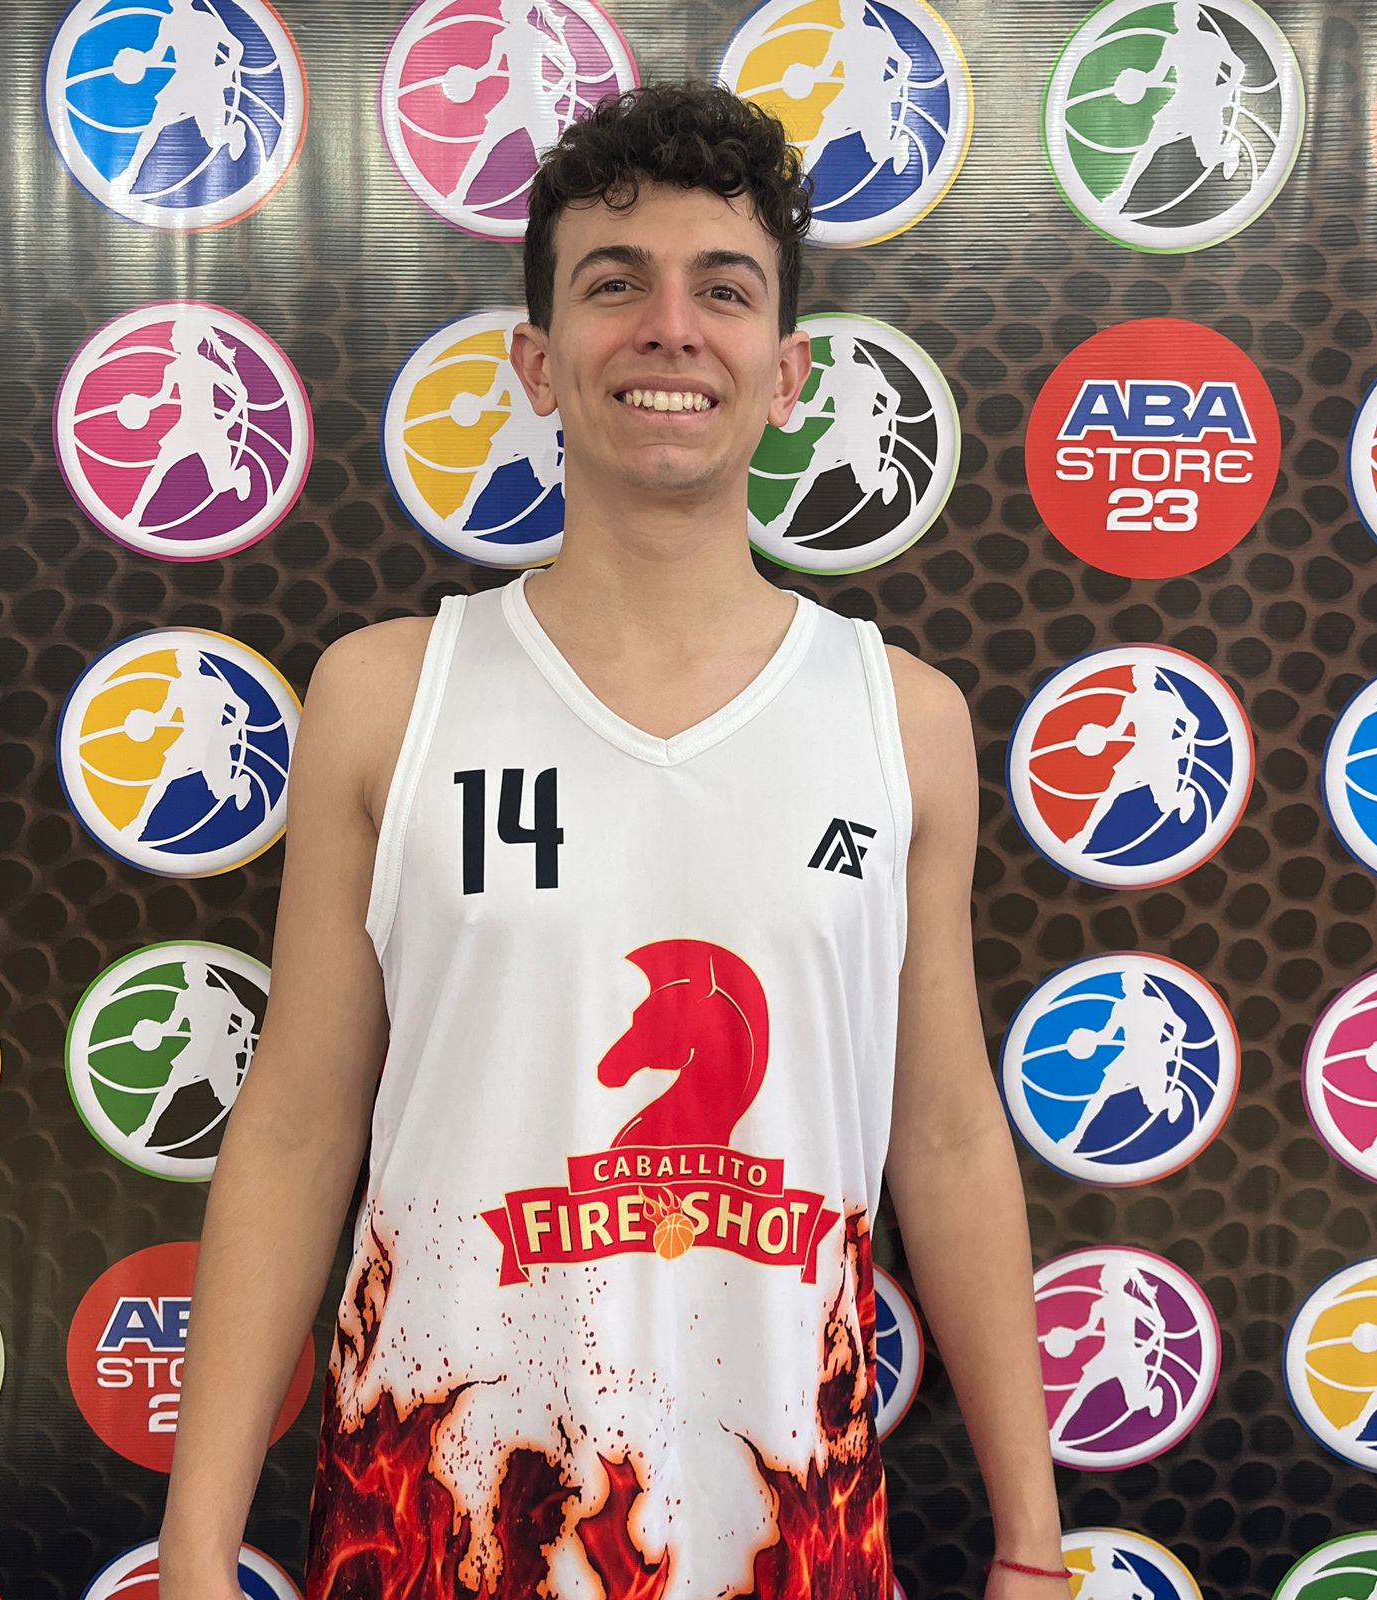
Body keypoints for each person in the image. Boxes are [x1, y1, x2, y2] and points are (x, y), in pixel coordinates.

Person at [157, 81, 1064, 1599]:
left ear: (788, 372)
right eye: (615, 284)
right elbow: (299, 1129)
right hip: (438, 1519)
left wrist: (1032, 1543)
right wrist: (195, 1550)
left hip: (785, 1525)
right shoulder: (388, 697)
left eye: (726, 290)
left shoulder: (900, 719)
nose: (671, 330)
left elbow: (950, 1136)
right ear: (538, 360)